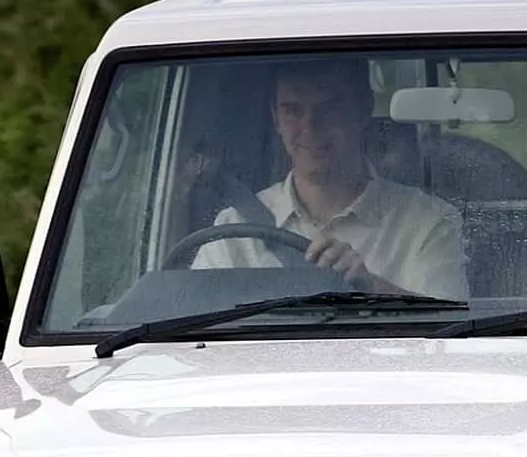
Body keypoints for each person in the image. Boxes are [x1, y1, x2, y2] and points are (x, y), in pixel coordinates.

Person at [192, 58, 468, 301]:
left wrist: (370, 288)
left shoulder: (428, 223)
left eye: (329, 109)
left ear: (363, 109)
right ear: (276, 117)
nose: (310, 127)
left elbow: (447, 340)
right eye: (293, 111)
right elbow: (194, 331)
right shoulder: (235, 228)